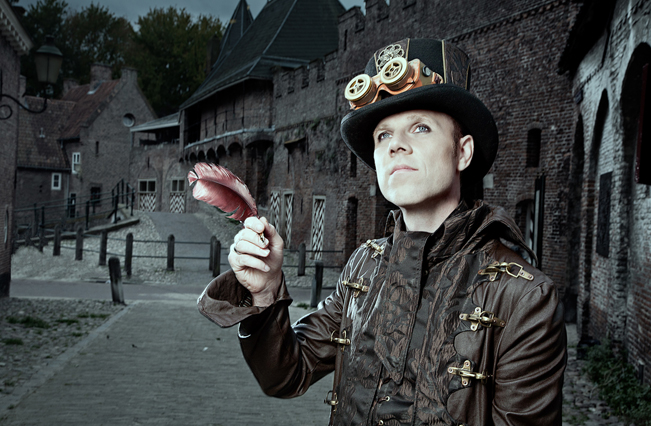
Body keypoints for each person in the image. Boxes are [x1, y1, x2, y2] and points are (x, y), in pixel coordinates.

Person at [198, 38, 566, 426]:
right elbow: (286, 374)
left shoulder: (524, 298)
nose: (396, 146)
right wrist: (265, 291)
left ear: (463, 152)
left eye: (420, 128)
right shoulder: (364, 266)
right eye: (383, 135)